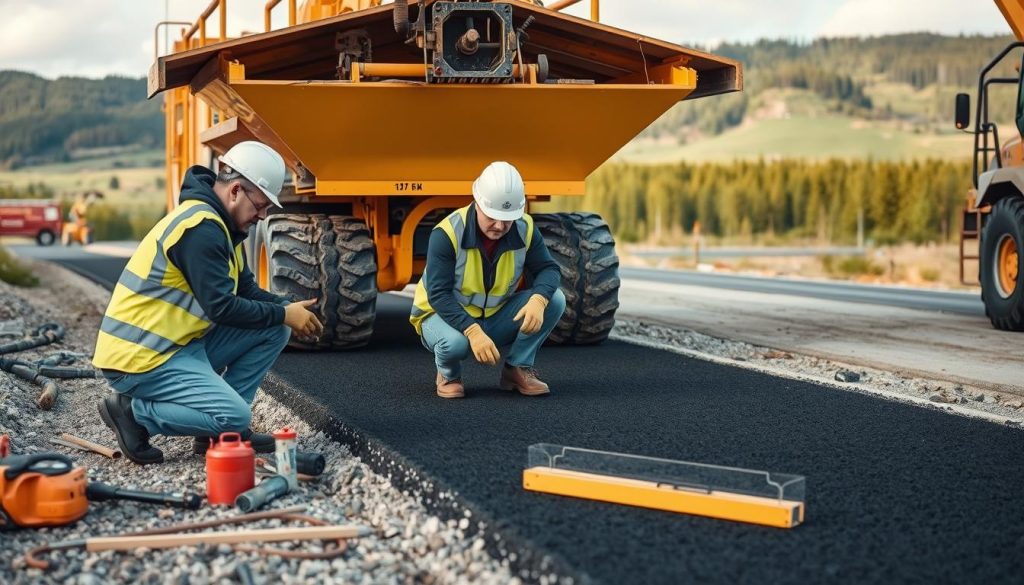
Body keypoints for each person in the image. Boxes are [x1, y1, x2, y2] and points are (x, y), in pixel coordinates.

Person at [92, 141, 324, 465]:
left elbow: (245, 291)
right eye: (260, 205)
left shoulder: (224, 228)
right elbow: (223, 308)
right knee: (237, 414)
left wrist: (288, 308)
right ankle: (134, 413)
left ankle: (219, 434)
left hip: (177, 344)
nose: (262, 215)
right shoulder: (200, 230)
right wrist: (283, 313)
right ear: (236, 191)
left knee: (275, 329)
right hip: (141, 357)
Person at [410, 161, 566, 399]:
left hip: (494, 316)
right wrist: (472, 331)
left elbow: (548, 268)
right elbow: (438, 295)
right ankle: (449, 375)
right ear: (477, 203)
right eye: (493, 216)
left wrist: (539, 299)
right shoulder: (447, 233)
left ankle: (517, 368)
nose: (500, 225)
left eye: (508, 218)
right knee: (455, 344)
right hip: (441, 316)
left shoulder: (525, 229)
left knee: (555, 299)